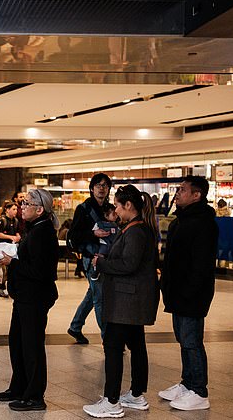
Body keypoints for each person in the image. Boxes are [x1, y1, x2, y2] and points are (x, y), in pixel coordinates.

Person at [82, 185, 160, 418]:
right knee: (136, 345)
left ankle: (112, 401)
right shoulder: (135, 228)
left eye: (117, 205)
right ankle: (136, 395)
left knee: (113, 348)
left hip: (127, 301)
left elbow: (129, 265)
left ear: (128, 205)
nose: (115, 209)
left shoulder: (136, 231)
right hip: (131, 299)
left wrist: (102, 263)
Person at [0, 189, 59, 412]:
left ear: (39, 209)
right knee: (18, 342)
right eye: (22, 203)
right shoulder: (34, 229)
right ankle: (19, 386)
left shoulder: (43, 232)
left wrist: (12, 262)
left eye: (27, 203)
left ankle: (34, 396)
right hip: (24, 296)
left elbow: (41, 271)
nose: (22, 206)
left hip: (35, 297)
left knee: (32, 346)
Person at [158, 176, 218, 411]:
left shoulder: (204, 223)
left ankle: (199, 391)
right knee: (183, 340)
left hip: (192, 294)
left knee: (192, 341)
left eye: (183, 190)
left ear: (197, 195)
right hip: (176, 291)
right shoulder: (179, 221)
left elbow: (201, 265)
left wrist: (189, 291)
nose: (177, 193)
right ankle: (187, 383)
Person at [66, 173, 112, 344]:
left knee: (92, 294)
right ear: (92, 188)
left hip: (105, 257)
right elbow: (74, 235)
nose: (102, 188)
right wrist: (94, 234)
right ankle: (108, 339)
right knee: (99, 297)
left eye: (105, 185)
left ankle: (75, 326)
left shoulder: (110, 208)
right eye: (98, 185)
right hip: (91, 258)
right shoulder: (84, 209)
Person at [0, 201, 21, 298]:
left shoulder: (15, 221)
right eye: (13, 209)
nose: (15, 211)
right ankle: (1, 288)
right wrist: (10, 237)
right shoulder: (2, 220)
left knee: (11, 268)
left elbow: (17, 232)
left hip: (11, 248)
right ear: (7, 210)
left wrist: (17, 237)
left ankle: (8, 288)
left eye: (16, 209)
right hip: (1, 248)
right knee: (2, 268)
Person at [89, 202, 120, 280]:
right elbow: (93, 232)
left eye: (116, 214)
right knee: (99, 258)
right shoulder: (99, 224)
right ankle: (96, 271)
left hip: (114, 246)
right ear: (106, 215)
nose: (116, 216)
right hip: (104, 244)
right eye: (114, 214)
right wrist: (96, 233)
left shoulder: (116, 225)